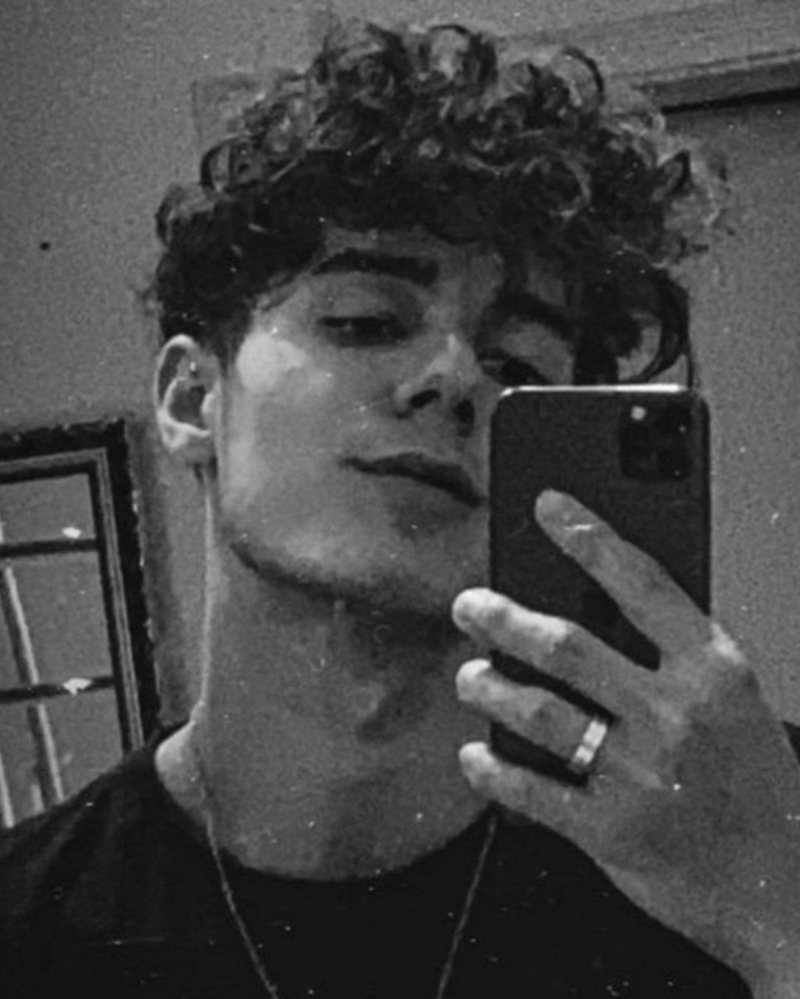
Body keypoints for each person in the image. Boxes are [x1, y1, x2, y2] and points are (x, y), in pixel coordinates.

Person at [2, 17, 800, 998]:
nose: (454, 377)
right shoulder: (25, 928)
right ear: (189, 400)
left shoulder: (738, 846)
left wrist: (780, 915)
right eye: (365, 322)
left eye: (516, 363)